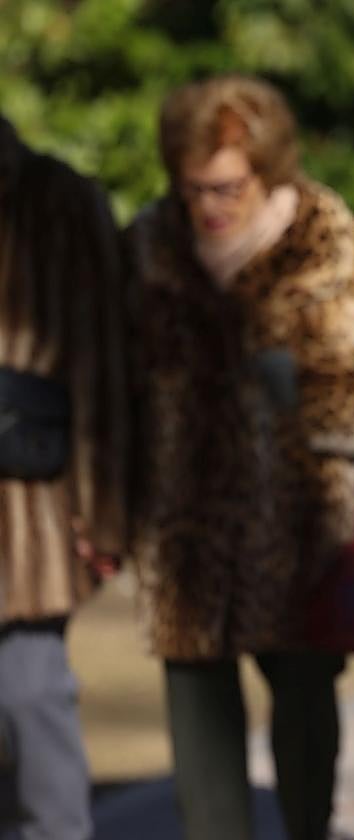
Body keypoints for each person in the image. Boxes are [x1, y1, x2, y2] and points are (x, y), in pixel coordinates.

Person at [125, 76, 354, 840]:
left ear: (267, 170)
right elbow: (115, 378)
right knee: (198, 719)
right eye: (193, 188)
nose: (208, 205)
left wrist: (297, 375)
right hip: (181, 529)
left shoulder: (330, 238)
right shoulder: (152, 245)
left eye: (225, 186)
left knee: (304, 713)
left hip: (294, 525)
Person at [0, 117, 128, 839]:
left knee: (30, 693)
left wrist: (102, 508)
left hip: (25, 502)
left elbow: (102, 360)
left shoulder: (59, 201)